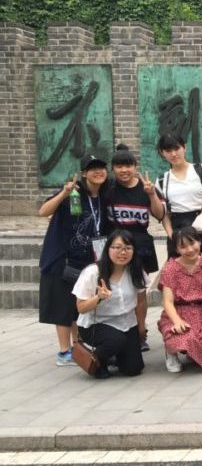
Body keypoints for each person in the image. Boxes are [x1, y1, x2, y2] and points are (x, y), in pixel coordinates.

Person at [38, 155, 109, 366]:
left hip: (88, 259)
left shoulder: (103, 195)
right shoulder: (72, 192)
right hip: (62, 258)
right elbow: (43, 211)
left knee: (78, 303)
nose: (98, 172)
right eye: (92, 169)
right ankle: (64, 351)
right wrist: (64, 193)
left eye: (102, 168)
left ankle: (77, 347)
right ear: (84, 173)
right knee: (62, 306)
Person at [72, 229, 149, 378]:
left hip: (127, 323)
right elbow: (80, 308)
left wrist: (141, 326)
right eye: (117, 247)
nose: (123, 252)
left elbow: (141, 301)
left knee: (133, 369)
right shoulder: (93, 272)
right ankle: (96, 357)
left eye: (128, 248)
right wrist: (98, 297)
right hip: (97, 325)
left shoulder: (136, 270)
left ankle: (115, 355)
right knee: (116, 340)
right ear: (108, 249)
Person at [157, 226, 202, 373]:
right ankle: (172, 351)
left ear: (199, 242)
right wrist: (177, 321)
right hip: (178, 313)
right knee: (187, 339)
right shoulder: (171, 268)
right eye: (183, 246)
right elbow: (167, 301)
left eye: (192, 243)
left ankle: (194, 352)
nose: (190, 249)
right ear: (177, 249)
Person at [105, 144, 165, 274]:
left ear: (135, 167)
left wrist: (152, 194)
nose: (124, 170)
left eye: (128, 166)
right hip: (115, 243)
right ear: (112, 169)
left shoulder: (146, 187)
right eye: (119, 166)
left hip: (140, 243)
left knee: (140, 285)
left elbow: (160, 215)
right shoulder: (107, 187)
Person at [155, 133, 202, 257]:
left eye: (177, 148)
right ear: (162, 153)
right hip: (178, 229)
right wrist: (171, 235)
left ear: (184, 147)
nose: (173, 154)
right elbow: (165, 214)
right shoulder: (162, 180)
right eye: (168, 150)